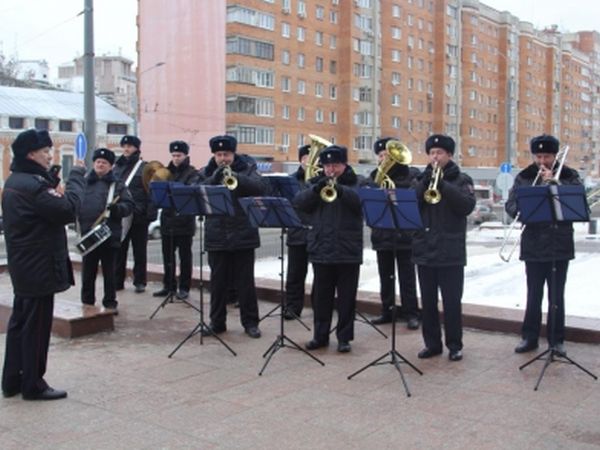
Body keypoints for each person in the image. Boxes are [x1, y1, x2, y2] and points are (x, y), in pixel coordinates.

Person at [2, 129, 85, 400]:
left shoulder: (16, 180)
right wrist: (75, 179)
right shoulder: (35, 186)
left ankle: (12, 379)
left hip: (25, 265)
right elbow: (67, 210)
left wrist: (49, 182)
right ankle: (33, 384)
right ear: (30, 154)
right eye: (45, 151)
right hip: (38, 266)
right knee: (36, 327)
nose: (50, 155)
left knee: (20, 323)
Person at [505, 134, 580, 356]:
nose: (541, 161)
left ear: (554, 156)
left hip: (559, 244)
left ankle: (556, 341)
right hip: (533, 244)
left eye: (546, 156)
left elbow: (576, 201)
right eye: (538, 156)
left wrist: (556, 185)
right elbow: (511, 205)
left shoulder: (569, 175)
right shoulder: (524, 177)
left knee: (557, 296)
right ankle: (529, 337)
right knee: (533, 293)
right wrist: (523, 208)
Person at [294, 145, 364, 353]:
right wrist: (316, 189)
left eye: (335, 165)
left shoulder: (357, 182)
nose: (331, 170)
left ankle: (344, 338)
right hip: (321, 247)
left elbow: (361, 203)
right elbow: (299, 203)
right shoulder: (315, 183)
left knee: (346, 297)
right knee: (321, 297)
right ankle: (320, 335)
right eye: (327, 166)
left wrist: (341, 190)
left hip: (348, 249)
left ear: (344, 164)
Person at [412, 134, 475, 362]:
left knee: (451, 302)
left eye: (439, 153)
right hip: (425, 249)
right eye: (431, 153)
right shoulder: (422, 178)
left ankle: (454, 345)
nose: (435, 157)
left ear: (449, 155)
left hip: (451, 251)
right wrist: (425, 182)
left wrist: (444, 186)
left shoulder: (462, 179)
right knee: (427, 302)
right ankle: (432, 344)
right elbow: (412, 203)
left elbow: (466, 206)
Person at [198, 135, 266, 338]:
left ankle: (251, 323)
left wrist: (236, 176)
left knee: (245, 283)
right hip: (216, 234)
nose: (222, 158)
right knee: (217, 283)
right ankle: (217, 322)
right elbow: (199, 191)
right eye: (218, 155)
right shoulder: (206, 171)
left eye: (226, 154)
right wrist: (215, 177)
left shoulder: (248, 168)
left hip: (243, 233)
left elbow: (260, 187)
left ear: (233, 153)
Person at [369, 137, 421, 330]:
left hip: (405, 236)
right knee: (386, 276)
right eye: (381, 155)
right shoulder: (374, 176)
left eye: (387, 155)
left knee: (407, 277)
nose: (383, 158)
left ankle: (411, 313)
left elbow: (413, 197)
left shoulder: (410, 176)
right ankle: (387, 310)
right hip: (383, 234)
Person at [78, 148, 134, 312]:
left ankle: (110, 303)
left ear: (110, 166)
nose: (100, 165)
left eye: (104, 163)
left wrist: (117, 209)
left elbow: (129, 206)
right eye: (98, 162)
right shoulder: (84, 182)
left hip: (109, 236)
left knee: (110, 272)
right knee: (88, 272)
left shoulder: (117, 184)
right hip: (89, 235)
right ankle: (87, 303)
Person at [153, 140, 200, 300]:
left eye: (178, 155)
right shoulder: (166, 172)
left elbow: (191, 190)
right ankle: (168, 286)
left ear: (186, 155)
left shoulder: (193, 173)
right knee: (167, 256)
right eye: (173, 155)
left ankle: (184, 287)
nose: (175, 158)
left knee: (185, 257)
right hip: (167, 220)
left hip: (185, 221)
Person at [113, 135, 157, 293]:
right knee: (119, 250)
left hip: (139, 215)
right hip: (121, 215)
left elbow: (151, 192)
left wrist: (150, 214)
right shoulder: (116, 167)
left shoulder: (145, 168)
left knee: (139, 251)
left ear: (137, 148)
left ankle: (140, 281)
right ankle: (118, 280)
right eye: (124, 146)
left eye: (130, 146)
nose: (126, 149)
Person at [283, 144, 311, 320]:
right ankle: (293, 307)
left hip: (318, 234)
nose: (313, 162)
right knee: (295, 274)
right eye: (309, 158)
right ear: (301, 160)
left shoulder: (324, 180)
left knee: (322, 275)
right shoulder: (290, 181)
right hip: (298, 233)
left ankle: (322, 306)